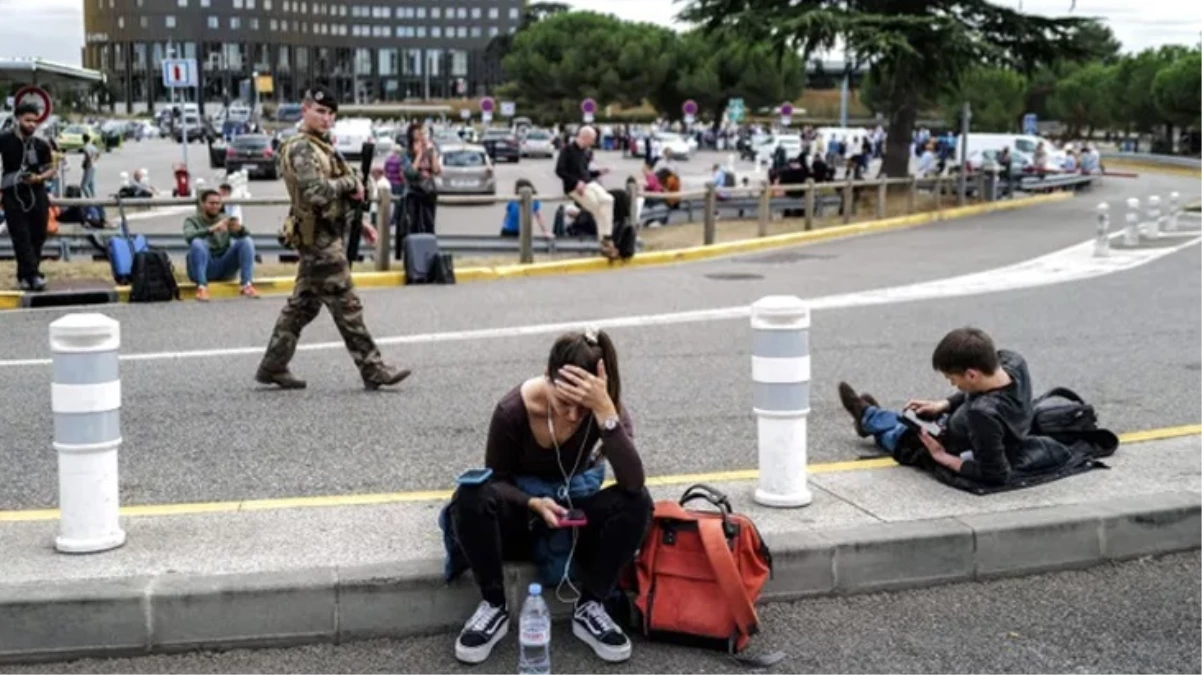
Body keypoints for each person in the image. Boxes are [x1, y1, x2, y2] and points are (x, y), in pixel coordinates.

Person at [442, 329, 652, 665]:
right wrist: (532, 503)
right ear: (546, 377)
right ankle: (494, 605)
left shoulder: (603, 409)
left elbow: (632, 482)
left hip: (572, 517)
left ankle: (591, 605)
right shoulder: (512, 410)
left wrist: (604, 413)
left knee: (637, 501)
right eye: (563, 403)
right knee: (470, 496)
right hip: (524, 516)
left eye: (582, 409)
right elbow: (496, 481)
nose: (571, 416)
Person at [255, 86, 409, 391]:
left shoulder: (320, 146)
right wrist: (350, 182)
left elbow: (338, 194)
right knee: (347, 303)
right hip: (319, 240)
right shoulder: (301, 148)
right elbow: (315, 192)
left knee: (303, 306)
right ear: (305, 110)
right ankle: (373, 368)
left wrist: (360, 221)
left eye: (331, 114)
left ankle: (273, 365)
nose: (327, 118)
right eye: (321, 111)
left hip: (325, 233)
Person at [836, 327, 1034, 487]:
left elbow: (995, 474)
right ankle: (870, 417)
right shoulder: (1012, 362)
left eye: (952, 379)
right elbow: (978, 390)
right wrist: (944, 404)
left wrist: (942, 456)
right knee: (912, 418)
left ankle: (867, 417)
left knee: (900, 436)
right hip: (948, 424)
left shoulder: (982, 416)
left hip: (939, 443)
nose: (952, 384)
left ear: (972, 375)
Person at [0, 103, 56, 291]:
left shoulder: (40, 144)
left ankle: (26, 275)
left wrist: (39, 177)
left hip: (36, 192)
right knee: (21, 236)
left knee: (38, 234)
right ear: (18, 119)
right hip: (13, 194)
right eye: (27, 120)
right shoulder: (5, 140)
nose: (32, 125)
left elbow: (51, 169)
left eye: (35, 121)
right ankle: (33, 275)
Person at [182, 188, 259, 301]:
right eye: (211, 203)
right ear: (203, 204)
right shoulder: (192, 220)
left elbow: (246, 236)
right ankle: (202, 288)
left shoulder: (225, 218)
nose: (215, 206)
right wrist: (211, 229)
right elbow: (189, 237)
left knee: (246, 241)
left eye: (218, 203)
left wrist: (240, 229)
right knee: (197, 243)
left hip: (224, 267)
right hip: (203, 267)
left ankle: (246, 285)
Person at [556, 126, 613, 246]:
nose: (594, 142)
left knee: (608, 200)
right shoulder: (567, 150)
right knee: (596, 206)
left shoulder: (585, 152)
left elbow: (585, 172)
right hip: (574, 186)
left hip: (589, 183)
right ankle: (604, 239)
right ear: (585, 137)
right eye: (593, 139)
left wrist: (599, 172)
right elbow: (560, 170)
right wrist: (576, 182)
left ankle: (607, 235)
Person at [402, 123, 440, 237]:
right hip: (413, 193)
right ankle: (413, 250)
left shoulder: (429, 149)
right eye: (417, 133)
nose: (421, 136)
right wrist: (419, 154)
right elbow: (410, 172)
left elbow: (436, 170)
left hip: (428, 192)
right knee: (413, 224)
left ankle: (430, 250)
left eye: (422, 133)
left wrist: (432, 153)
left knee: (429, 223)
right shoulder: (407, 153)